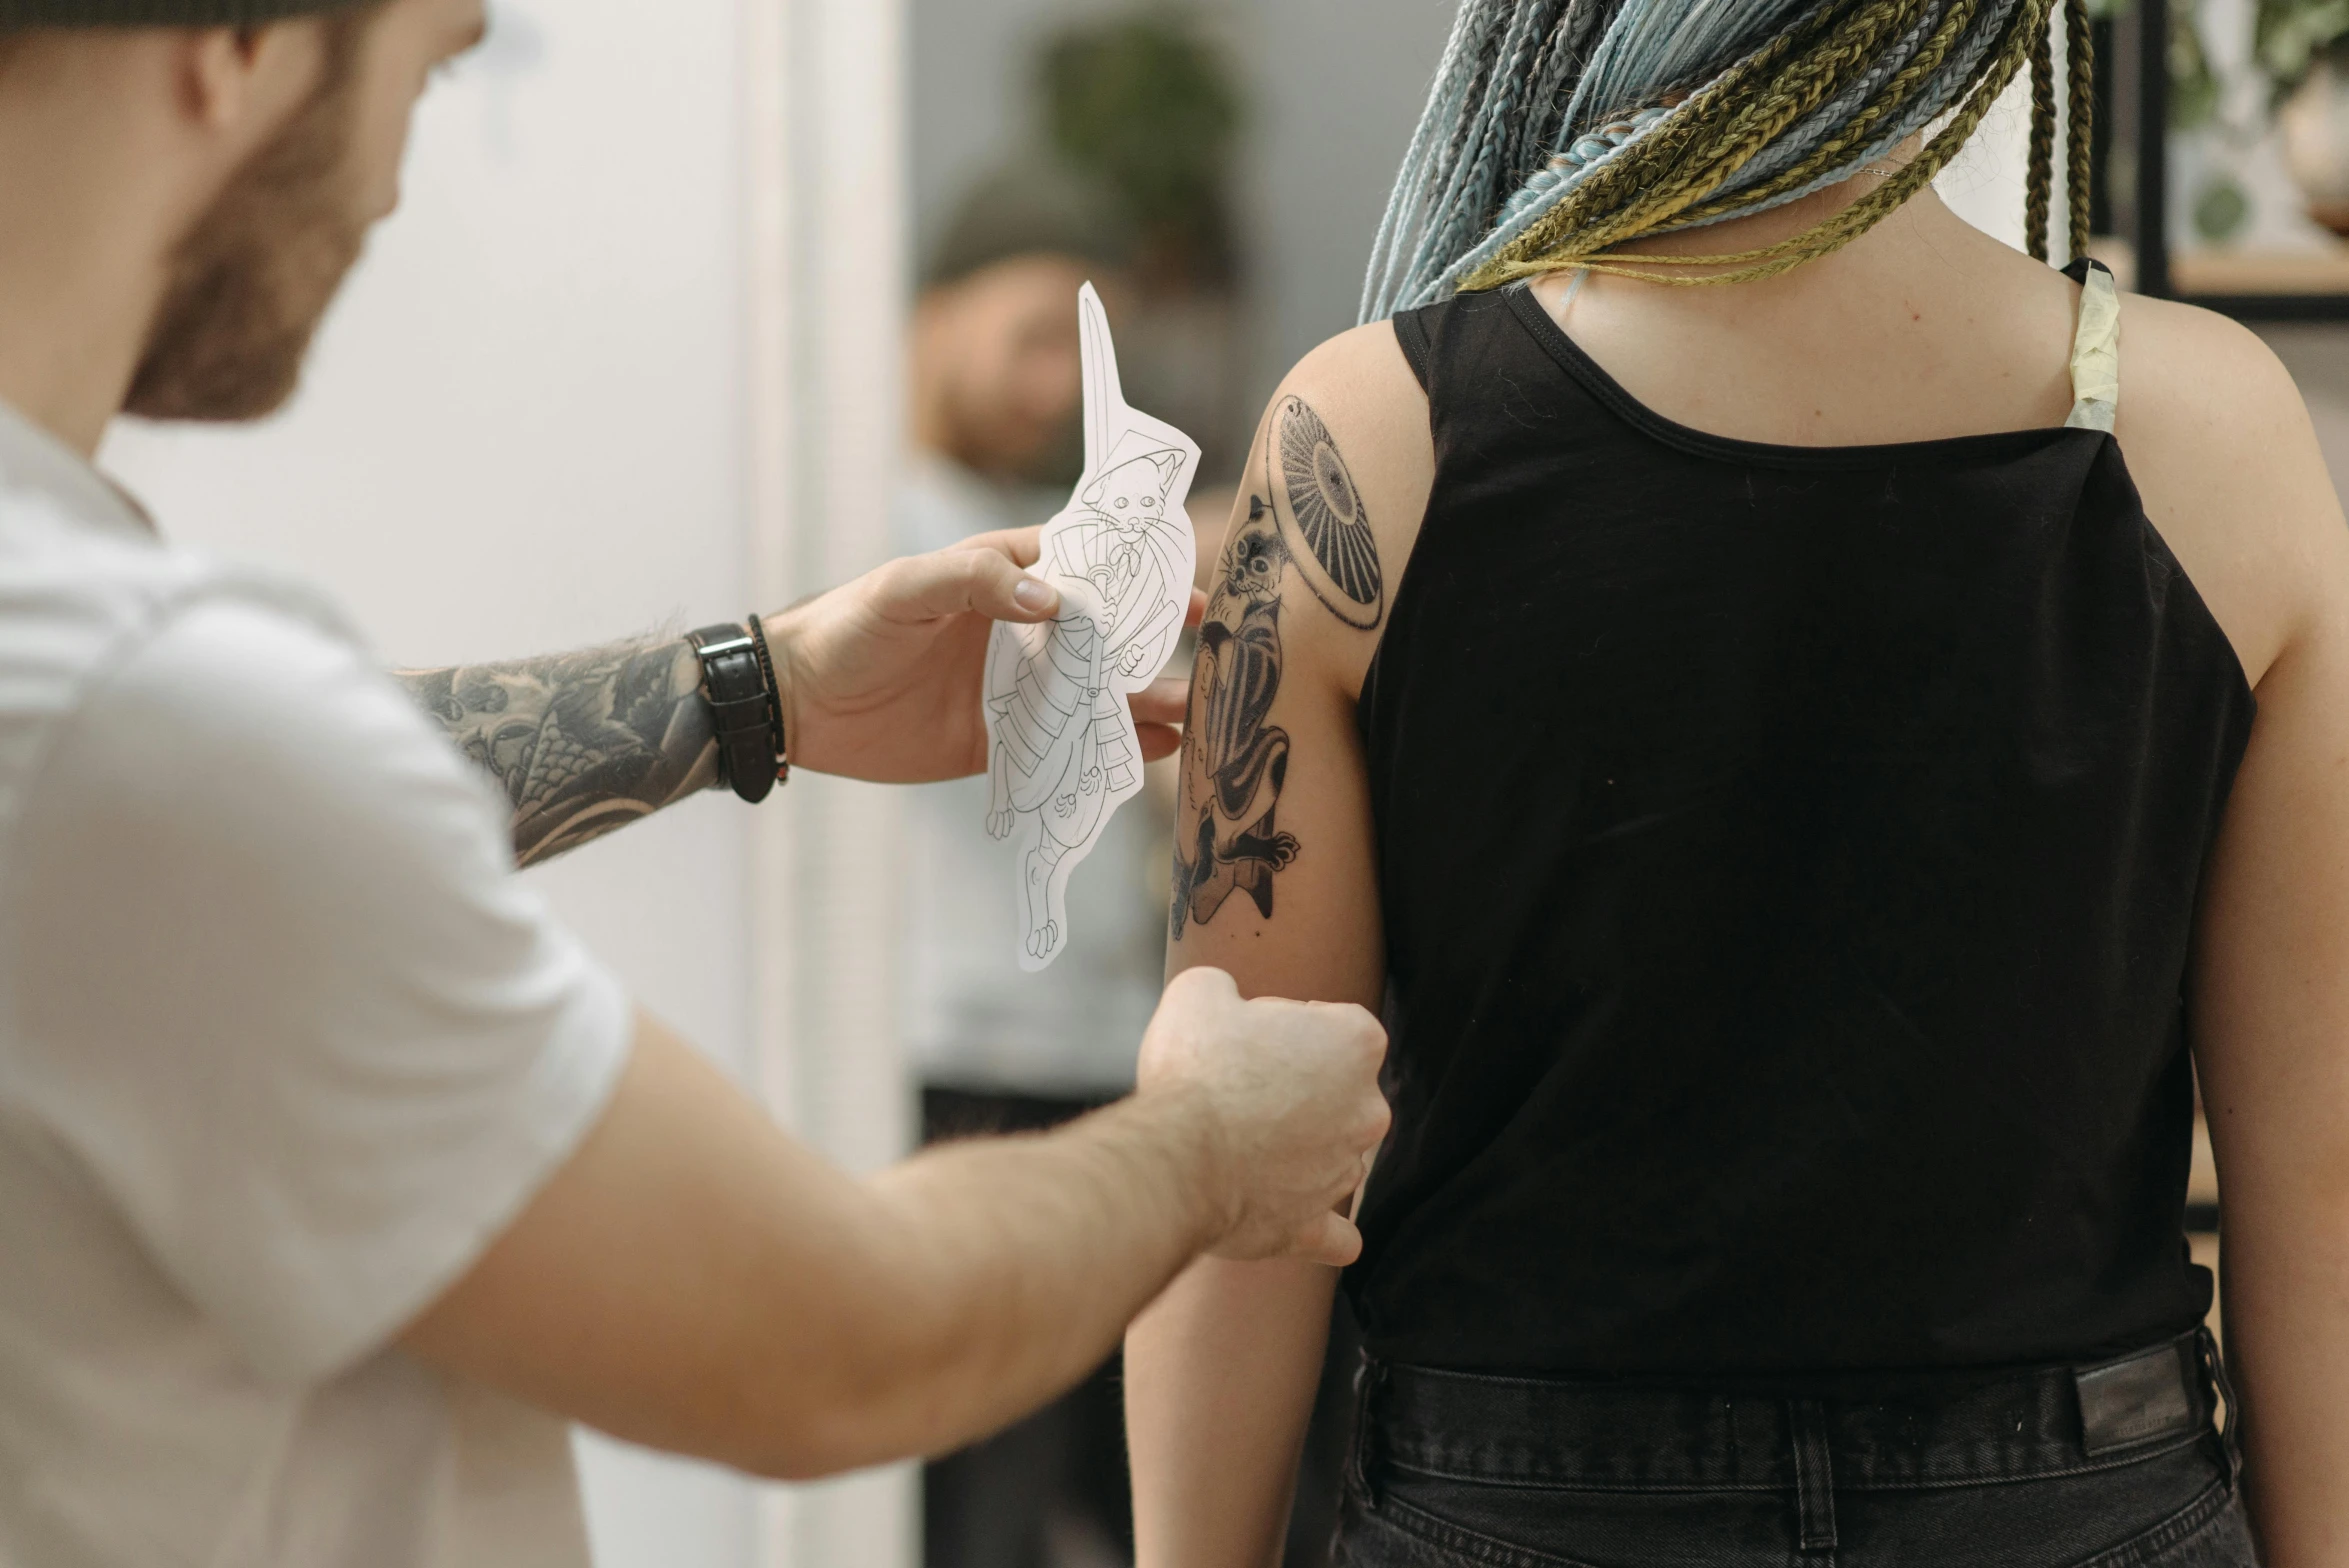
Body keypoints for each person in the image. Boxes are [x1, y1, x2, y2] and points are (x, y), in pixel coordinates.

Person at [0, 4, 1395, 1566]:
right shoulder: (126, 716)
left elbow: (277, 787)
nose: (394, 190)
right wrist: (1210, 1146)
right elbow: (850, 1339)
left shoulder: (81, 682)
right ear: (241, 44)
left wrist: (760, 690)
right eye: (435, 63)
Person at [1128, 2, 2349, 1566]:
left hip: (1519, 1497)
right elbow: (2311, 1192)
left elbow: (1239, 1187)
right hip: (2080, 1500)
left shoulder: (1367, 443)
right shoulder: (2217, 434)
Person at [898, 168, 1167, 1568]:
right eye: (1028, 335)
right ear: (928, 320)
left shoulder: (1062, 526)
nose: (1054, 384)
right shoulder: (882, 512)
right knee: (975, 1514)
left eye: (1081, 353)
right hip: (961, 1067)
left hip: (1105, 1068)